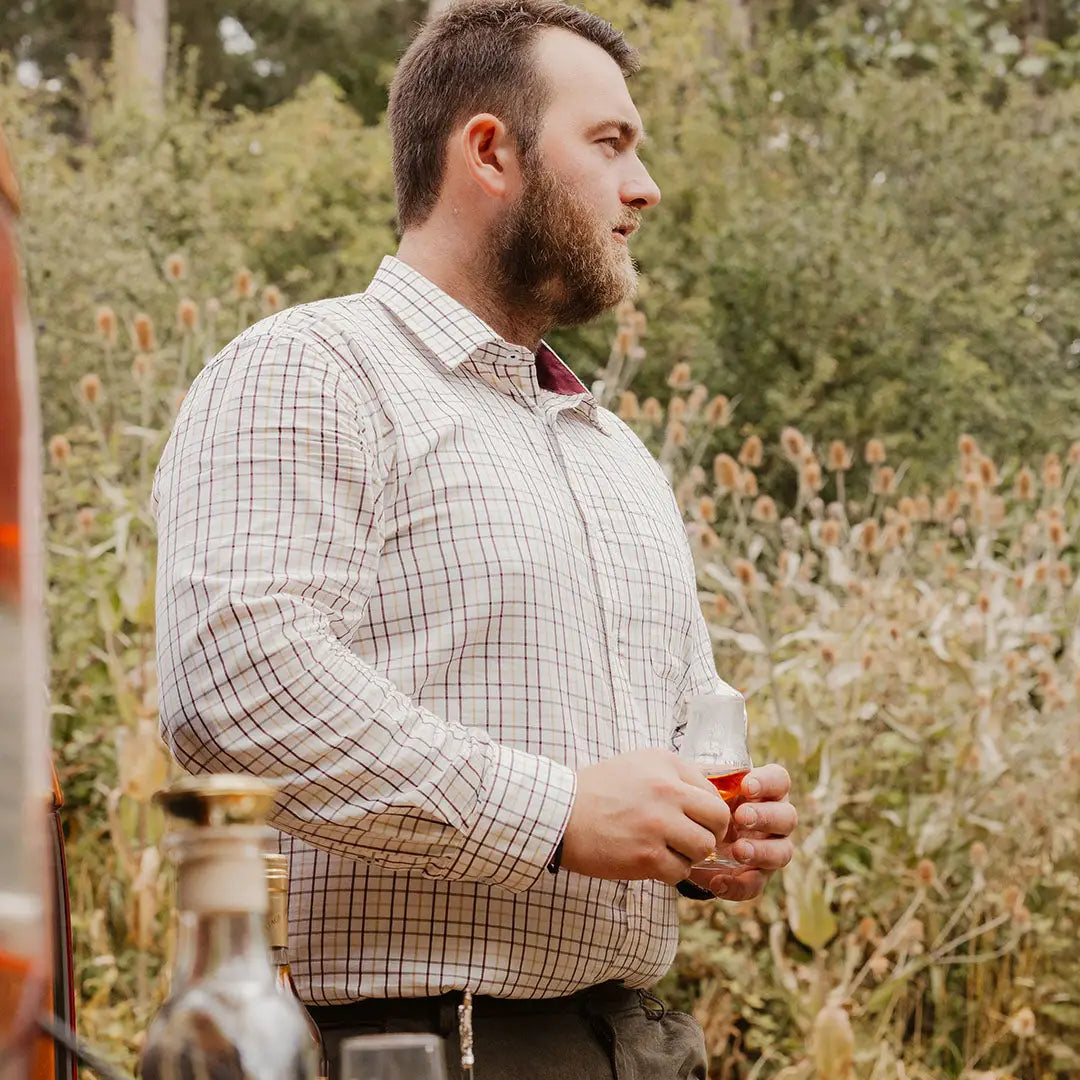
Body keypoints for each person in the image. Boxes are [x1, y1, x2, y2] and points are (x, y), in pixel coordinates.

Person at [154, 2, 797, 1077]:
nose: (646, 188)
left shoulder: (618, 453)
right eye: (611, 144)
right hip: (408, 1048)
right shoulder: (308, 369)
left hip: (637, 1045)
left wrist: (704, 839)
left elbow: (674, 737)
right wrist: (556, 814)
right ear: (491, 151)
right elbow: (236, 685)